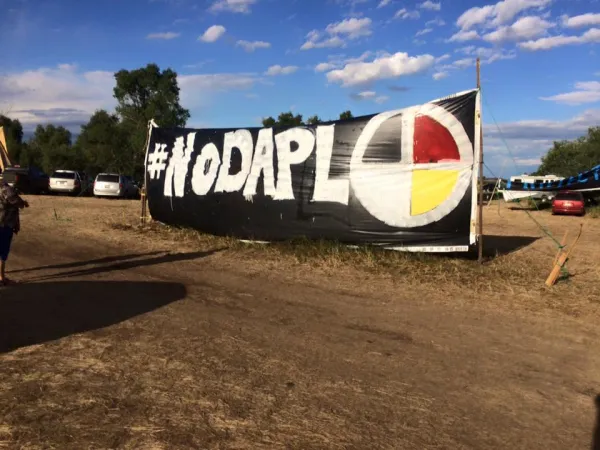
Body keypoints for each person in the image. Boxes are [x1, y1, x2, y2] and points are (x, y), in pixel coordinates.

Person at [0, 180, 29, 285]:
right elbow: (16, 201)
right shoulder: (6, 189)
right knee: (3, 251)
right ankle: (1, 277)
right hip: (4, 224)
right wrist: (24, 203)